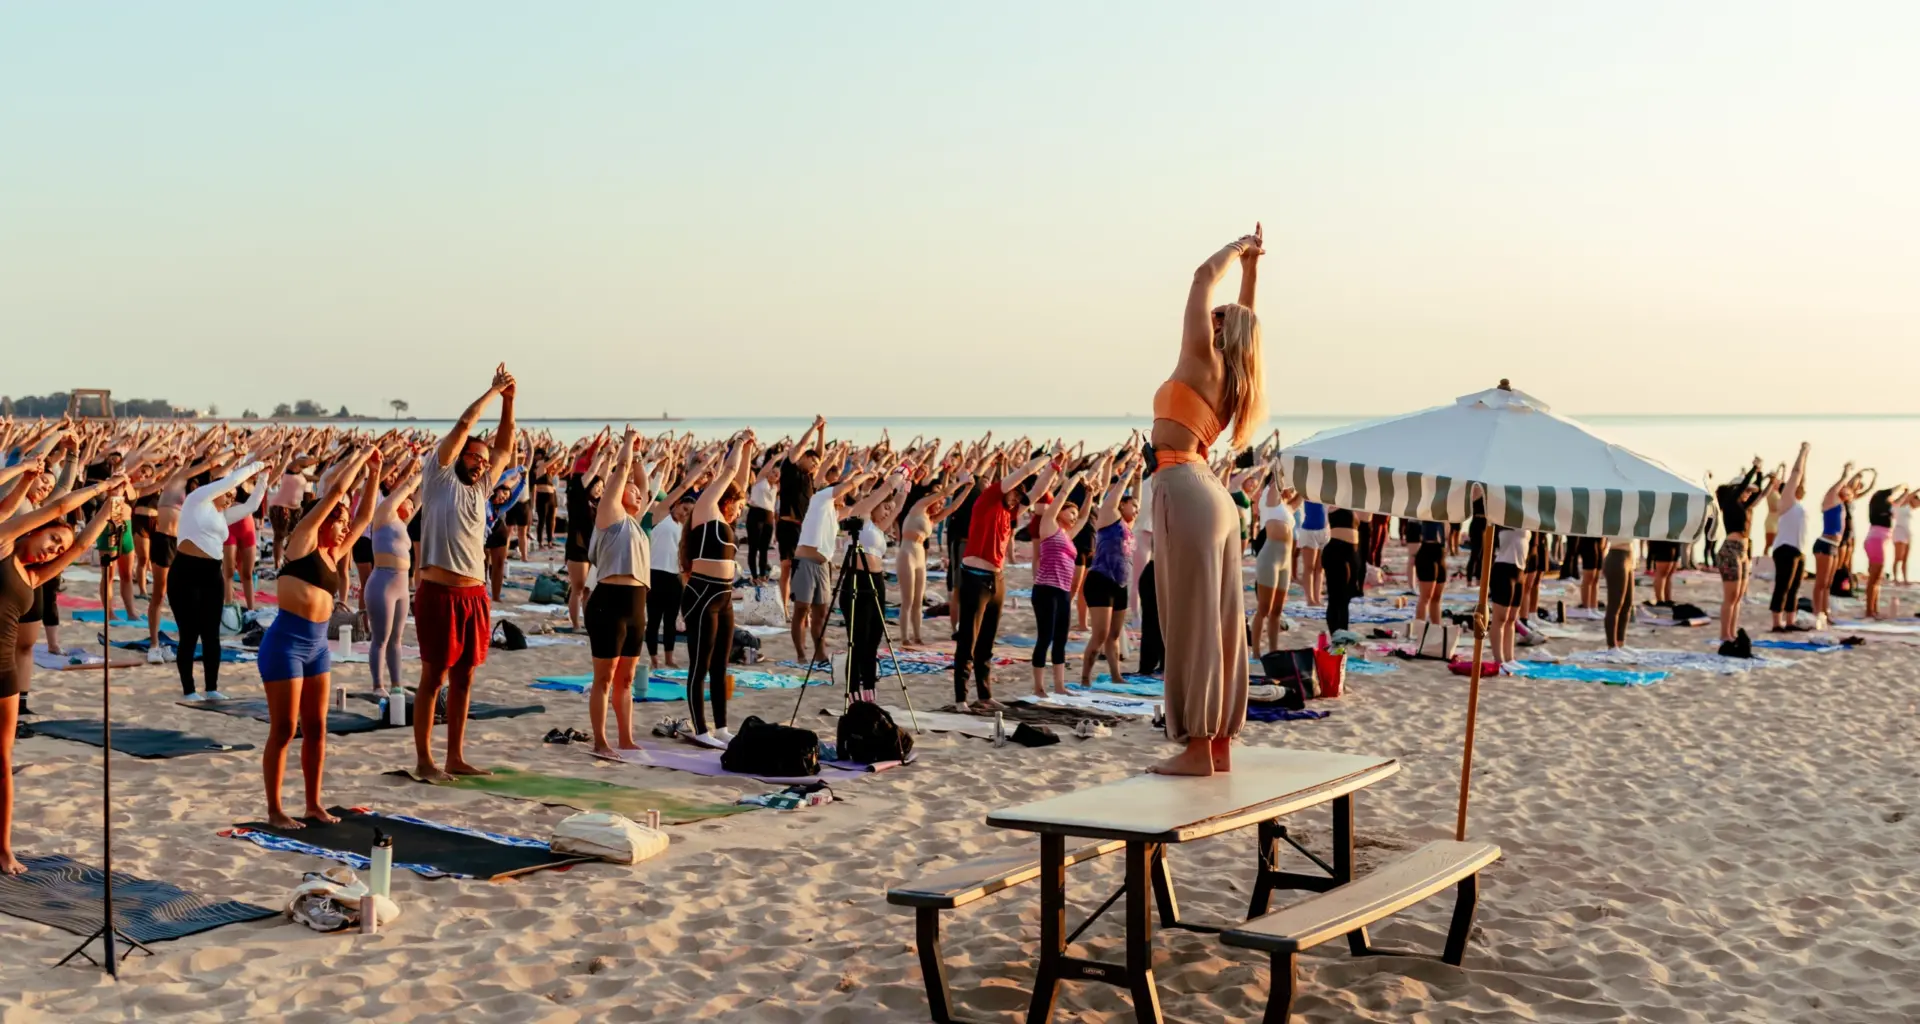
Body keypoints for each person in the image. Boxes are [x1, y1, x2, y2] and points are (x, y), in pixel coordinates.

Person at [1147, 224, 1264, 776]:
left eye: (1216, 314)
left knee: (1191, 622)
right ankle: (1218, 746)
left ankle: (1197, 748)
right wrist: (1252, 271)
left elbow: (1200, 277)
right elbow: (1247, 322)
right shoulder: (1236, 377)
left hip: (1183, 488)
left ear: (1218, 329)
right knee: (1221, 622)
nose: (1208, 313)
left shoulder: (1201, 357)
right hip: (1212, 496)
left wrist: (1237, 249)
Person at [0, 467, 130, 873]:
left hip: (3, 673)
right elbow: (57, 507)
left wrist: (110, 506)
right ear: (38, 528)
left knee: (2, 761)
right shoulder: (3, 542)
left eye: (58, 549)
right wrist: (101, 486)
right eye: (53, 539)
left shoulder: (33, 575)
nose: (53, 550)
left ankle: (3, 848)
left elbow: (82, 546)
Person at [260, 446, 379, 829]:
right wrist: (361, 456)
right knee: (284, 729)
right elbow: (336, 493)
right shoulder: (302, 543)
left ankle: (313, 805)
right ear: (323, 521)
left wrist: (375, 472)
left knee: (317, 728)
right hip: (285, 645)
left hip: (317, 648)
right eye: (338, 521)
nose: (344, 527)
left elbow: (364, 518)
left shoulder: (334, 552)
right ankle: (276, 810)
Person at [412, 365, 517, 781]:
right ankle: (425, 761)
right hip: (438, 592)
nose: (481, 464)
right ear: (459, 456)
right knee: (433, 677)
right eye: (475, 457)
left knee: (464, 678)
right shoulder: (439, 477)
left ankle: (455, 757)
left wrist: (510, 403)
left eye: (483, 461)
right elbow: (463, 425)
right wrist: (492, 393)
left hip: (473, 596)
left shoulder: (481, 488)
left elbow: (505, 447)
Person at [953, 449, 1047, 712]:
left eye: (1019, 497)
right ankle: (961, 699)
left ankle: (984, 695)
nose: (1016, 499)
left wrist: (1055, 469)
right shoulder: (989, 498)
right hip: (975, 578)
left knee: (987, 642)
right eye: (1014, 493)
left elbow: (1037, 493)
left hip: (997, 579)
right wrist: (1048, 456)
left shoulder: (1010, 512)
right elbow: (1025, 471)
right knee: (968, 641)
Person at [679, 432, 755, 748]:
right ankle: (701, 730)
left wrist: (748, 451)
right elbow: (729, 474)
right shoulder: (705, 511)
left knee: (721, 667)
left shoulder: (725, 523)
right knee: (700, 666)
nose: (739, 511)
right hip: (701, 596)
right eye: (738, 506)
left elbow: (740, 481)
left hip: (723, 598)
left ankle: (721, 728)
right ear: (725, 501)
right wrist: (738, 444)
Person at [173, 456, 272, 700]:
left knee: (211, 634)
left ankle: (211, 688)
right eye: (228, 494)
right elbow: (231, 480)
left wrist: (264, 477)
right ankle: (189, 690)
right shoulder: (197, 500)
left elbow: (251, 506)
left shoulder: (220, 516)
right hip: (186, 573)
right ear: (216, 490)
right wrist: (258, 464)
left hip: (212, 575)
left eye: (233, 495)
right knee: (189, 634)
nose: (230, 498)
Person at [586, 427, 653, 756]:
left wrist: (639, 454)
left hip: (636, 605)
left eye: (640, 494)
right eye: (632, 491)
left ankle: (626, 738)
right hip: (608, 603)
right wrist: (627, 445)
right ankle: (601, 741)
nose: (639, 494)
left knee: (626, 679)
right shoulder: (609, 516)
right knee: (605, 678)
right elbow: (623, 471)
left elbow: (643, 483)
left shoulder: (637, 524)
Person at [791, 459, 877, 667]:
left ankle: (820, 655)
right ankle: (801, 654)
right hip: (805, 562)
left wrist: (869, 489)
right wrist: (866, 473)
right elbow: (848, 485)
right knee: (802, 609)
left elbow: (860, 507)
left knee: (821, 612)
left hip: (823, 566)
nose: (843, 499)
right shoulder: (820, 499)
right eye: (841, 495)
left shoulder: (834, 513)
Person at [842, 473, 908, 702]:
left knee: (873, 641)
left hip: (877, 583)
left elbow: (898, 507)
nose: (888, 512)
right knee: (857, 641)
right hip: (857, 581)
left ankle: (869, 692)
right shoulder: (862, 518)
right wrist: (895, 480)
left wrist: (905, 488)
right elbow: (879, 495)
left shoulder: (879, 529)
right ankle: (853, 693)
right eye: (885, 507)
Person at [1080, 458, 1141, 691]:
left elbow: (1137, 498)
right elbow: (1116, 493)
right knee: (1100, 634)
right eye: (1132, 505)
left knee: (1114, 634)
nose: (1136, 510)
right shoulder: (1108, 517)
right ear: (1121, 505)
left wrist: (1139, 477)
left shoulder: (1128, 527)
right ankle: (1085, 677)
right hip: (1100, 581)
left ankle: (1116, 675)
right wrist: (1129, 470)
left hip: (1120, 584)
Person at [1027, 466, 1087, 697]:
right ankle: (1039, 687)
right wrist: (1076, 477)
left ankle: (1060, 686)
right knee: (1045, 638)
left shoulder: (1068, 536)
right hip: (1045, 590)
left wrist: (1090, 494)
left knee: (1060, 639)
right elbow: (1062, 495)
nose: (1074, 516)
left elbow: (1084, 517)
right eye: (1070, 512)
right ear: (1059, 512)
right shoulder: (1048, 526)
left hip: (1063, 592)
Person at [364, 456, 421, 695]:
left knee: (396, 639)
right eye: (408, 500)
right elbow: (406, 488)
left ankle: (396, 685)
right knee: (381, 638)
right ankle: (378, 685)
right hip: (382, 583)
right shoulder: (384, 514)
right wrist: (423, 470)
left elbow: (419, 495)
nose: (412, 504)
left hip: (401, 586)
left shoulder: (402, 523)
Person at [896, 471, 973, 647]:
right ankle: (904, 637)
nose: (940, 506)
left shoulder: (931, 519)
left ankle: (917, 636)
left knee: (918, 600)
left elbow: (953, 507)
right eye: (938, 503)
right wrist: (961, 482)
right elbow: (944, 493)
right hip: (907, 553)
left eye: (941, 505)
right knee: (907, 600)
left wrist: (967, 489)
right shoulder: (919, 508)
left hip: (919, 556)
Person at [1715, 459, 1772, 644]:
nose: (1748, 494)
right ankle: (1724, 634)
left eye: (1749, 491)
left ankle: (1731, 633)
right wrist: (1754, 469)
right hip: (1730, 551)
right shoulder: (1730, 503)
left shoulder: (1745, 506)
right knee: (1730, 597)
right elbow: (1743, 486)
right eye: (1746, 491)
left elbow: (1759, 493)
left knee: (1738, 596)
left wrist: (1762, 475)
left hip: (1743, 552)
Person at [775, 417, 827, 615]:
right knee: (786, 567)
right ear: (803, 457)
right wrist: (814, 427)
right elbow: (802, 445)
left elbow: (820, 454)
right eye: (812, 461)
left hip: (804, 529)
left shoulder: (809, 478)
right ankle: (784, 609)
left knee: (803, 570)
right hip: (787, 526)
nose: (814, 465)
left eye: (816, 464)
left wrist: (822, 432)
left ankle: (802, 608)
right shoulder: (790, 468)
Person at [563, 429, 610, 630]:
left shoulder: (596, 502)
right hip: (577, 546)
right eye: (596, 487)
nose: (599, 490)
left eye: (601, 488)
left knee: (589, 590)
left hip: (593, 546)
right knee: (578, 588)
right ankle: (575, 624)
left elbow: (602, 476)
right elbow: (591, 474)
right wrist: (601, 455)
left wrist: (610, 456)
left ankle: (588, 623)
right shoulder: (577, 493)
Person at [1811, 463, 1868, 628]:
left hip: (1834, 546)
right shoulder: (1831, 500)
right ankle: (1817, 613)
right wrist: (1846, 473)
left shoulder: (1843, 504)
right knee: (1820, 583)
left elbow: (1852, 491)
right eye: (1845, 489)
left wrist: (1859, 479)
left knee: (1828, 583)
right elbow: (1839, 486)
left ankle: (1825, 612)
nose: (1848, 492)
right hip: (1825, 544)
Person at [1250, 467, 1295, 654]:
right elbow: (1276, 480)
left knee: (1277, 610)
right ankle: (1256, 652)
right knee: (1264, 609)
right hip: (1270, 557)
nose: (1292, 489)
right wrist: (1281, 468)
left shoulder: (1285, 507)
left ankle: (1273, 650)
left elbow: (1303, 496)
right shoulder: (1270, 498)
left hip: (1286, 560)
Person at [1768, 443, 1811, 632]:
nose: (1802, 486)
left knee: (1794, 588)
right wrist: (1802, 452)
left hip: (1798, 550)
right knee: (1783, 586)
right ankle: (1777, 623)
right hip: (1785, 548)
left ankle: (1790, 622)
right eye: (1798, 485)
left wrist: (1807, 459)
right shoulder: (1787, 501)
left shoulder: (1799, 503)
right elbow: (1796, 474)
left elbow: (1802, 478)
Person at [1864, 483, 1908, 618]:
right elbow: (1891, 492)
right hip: (1876, 542)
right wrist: (1902, 485)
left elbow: (1898, 502)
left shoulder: (1888, 507)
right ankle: (1869, 610)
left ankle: (1873, 609)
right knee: (1874, 577)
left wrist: (1906, 493)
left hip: (1877, 542)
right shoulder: (1880, 504)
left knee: (1878, 577)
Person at [1488, 526, 1526, 661]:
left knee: (1512, 618)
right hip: (1503, 570)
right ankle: (1499, 660)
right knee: (1500, 618)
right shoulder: (1503, 520)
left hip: (1520, 572)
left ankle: (1510, 658)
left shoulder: (1528, 520)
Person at [1322, 505, 1361, 634]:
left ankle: (1343, 634)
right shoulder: (1333, 501)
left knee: (1346, 598)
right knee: (1335, 598)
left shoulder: (1351, 503)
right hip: (1336, 551)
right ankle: (1335, 635)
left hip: (1352, 553)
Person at [744, 455, 778, 586]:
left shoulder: (775, 488)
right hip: (756, 514)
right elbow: (768, 466)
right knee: (753, 547)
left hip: (769, 517)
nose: (774, 475)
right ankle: (754, 576)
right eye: (773, 472)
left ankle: (763, 575)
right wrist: (777, 457)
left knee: (764, 549)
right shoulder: (760, 481)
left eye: (777, 475)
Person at [1412, 519, 1448, 632]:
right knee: (1426, 597)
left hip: (1440, 553)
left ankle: (1437, 629)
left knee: (1437, 597)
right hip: (1427, 553)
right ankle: (1420, 631)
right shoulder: (1429, 511)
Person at [1602, 535, 1635, 650]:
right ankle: (1612, 646)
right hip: (1617, 556)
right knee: (1615, 605)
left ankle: (1620, 643)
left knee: (1627, 603)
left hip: (1629, 556)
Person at [1295, 500, 1327, 606]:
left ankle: (1317, 598)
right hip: (1309, 530)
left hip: (1324, 530)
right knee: (1309, 567)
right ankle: (1310, 599)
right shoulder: (1309, 492)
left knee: (1320, 568)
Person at [1895, 490, 1918, 585]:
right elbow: (1909, 497)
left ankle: (1905, 579)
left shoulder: (1910, 508)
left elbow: (1917, 504)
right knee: (1898, 557)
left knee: (1905, 558)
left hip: (1908, 534)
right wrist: (1917, 490)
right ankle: (1895, 578)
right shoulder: (1901, 505)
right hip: (1899, 532)